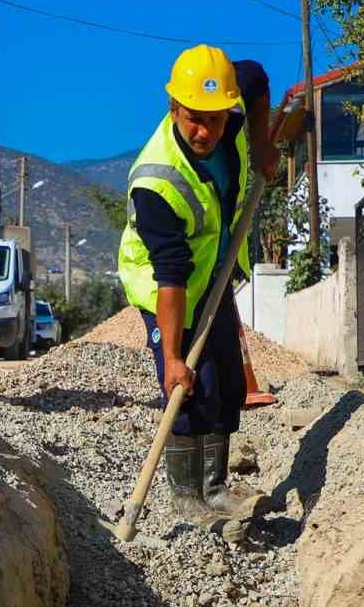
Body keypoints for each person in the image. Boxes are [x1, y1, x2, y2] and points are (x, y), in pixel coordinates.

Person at [117, 45, 280, 524]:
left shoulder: (232, 109)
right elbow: (171, 275)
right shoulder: (155, 182)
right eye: (193, 118)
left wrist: (263, 141)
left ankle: (215, 489)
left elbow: (256, 77)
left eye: (216, 118)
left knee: (227, 379)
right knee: (189, 384)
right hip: (164, 282)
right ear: (174, 108)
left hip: (213, 269)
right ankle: (187, 498)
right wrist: (170, 359)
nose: (205, 131)